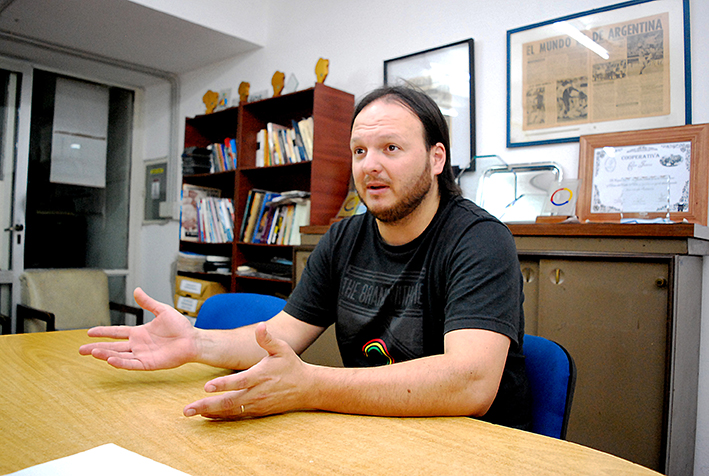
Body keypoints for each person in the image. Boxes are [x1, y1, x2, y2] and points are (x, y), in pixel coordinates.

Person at [80, 85, 532, 429]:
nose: (369, 165)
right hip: (376, 433)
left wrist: (312, 385)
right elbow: (276, 336)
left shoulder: (479, 240)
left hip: (474, 446)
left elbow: (470, 382)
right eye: (359, 150)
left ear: (437, 159)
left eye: (391, 148)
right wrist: (196, 342)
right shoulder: (342, 240)